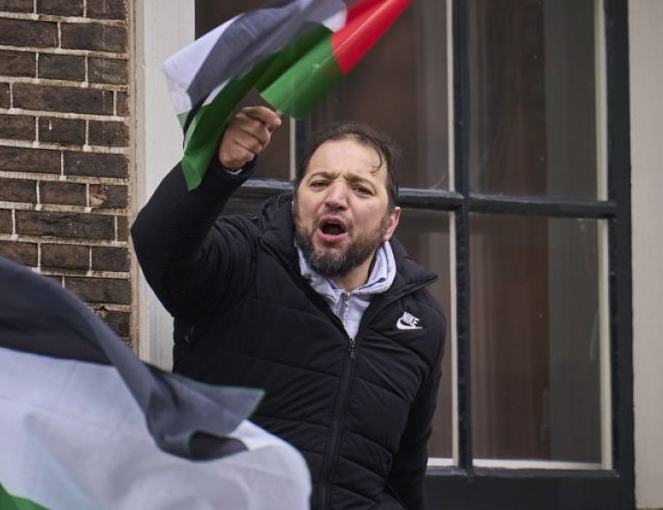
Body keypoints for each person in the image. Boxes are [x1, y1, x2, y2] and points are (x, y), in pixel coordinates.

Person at [131, 106, 446, 510]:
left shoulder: (420, 321)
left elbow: (405, 474)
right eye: (319, 183)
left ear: (390, 223)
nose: (336, 198)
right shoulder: (241, 259)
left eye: (361, 189)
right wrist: (218, 169)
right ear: (296, 202)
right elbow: (158, 243)